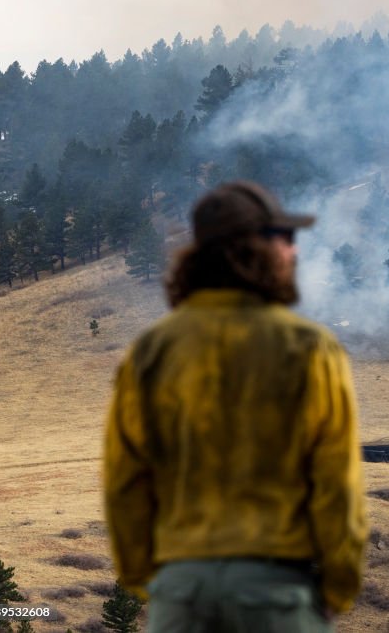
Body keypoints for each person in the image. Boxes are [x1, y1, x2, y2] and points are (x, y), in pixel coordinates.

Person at [103, 180, 367, 632]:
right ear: (254, 248)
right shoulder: (309, 348)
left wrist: (153, 581)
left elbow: (125, 480)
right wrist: (338, 588)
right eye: (285, 239)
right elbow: (336, 481)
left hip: (181, 594)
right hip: (277, 592)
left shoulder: (151, 351)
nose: (294, 252)